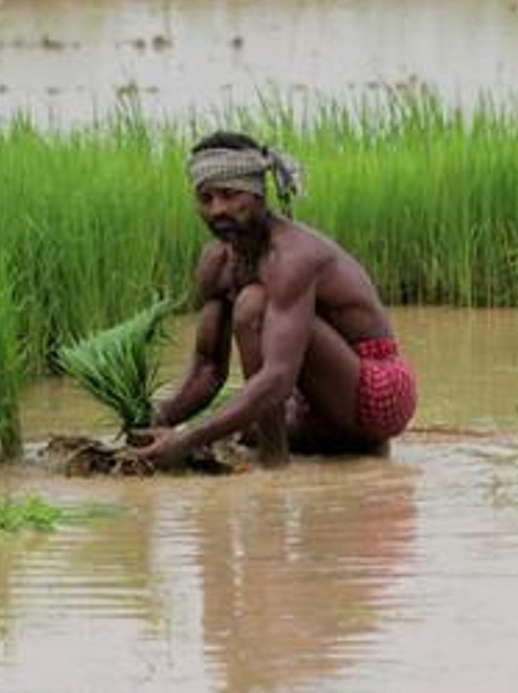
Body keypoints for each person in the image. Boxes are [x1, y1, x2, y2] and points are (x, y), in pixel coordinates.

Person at [130, 131, 416, 469]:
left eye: (230, 195)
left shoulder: (292, 256)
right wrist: (154, 421)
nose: (217, 209)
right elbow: (208, 369)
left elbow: (279, 377)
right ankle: (312, 450)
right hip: (310, 407)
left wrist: (187, 438)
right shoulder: (216, 262)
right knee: (236, 436)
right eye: (206, 198)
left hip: (376, 395)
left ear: (258, 194)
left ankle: (274, 462)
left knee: (253, 304)